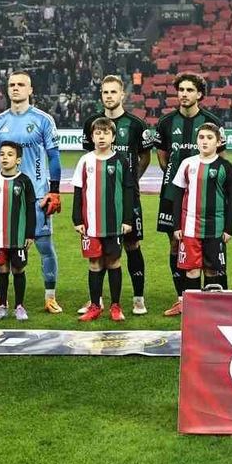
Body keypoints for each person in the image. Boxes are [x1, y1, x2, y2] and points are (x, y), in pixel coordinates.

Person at [0, 72, 64, 314]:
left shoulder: (43, 120)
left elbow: (54, 157)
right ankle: (0, 298)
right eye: (12, 85)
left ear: (30, 90)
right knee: (1, 247)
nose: (16, 88)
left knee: (44, 246)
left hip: (37, 196)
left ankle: (50, 297)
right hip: (4, 197)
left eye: (21, 85)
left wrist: (54, 191)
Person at [80, 74, 155, 315]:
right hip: (98, 201)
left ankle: (138, 298)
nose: (109, 96)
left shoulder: (136, 125)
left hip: (127, 198)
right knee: (99, 246)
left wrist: (130, 182)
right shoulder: (91, 123)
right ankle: (97, 300)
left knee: (132, 244)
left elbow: (145, 156)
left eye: (113, 92)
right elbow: (90, 157)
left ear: (122, 94)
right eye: (105, 92)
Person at [155, 73, 226, 317]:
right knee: (176, 243)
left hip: (205, 196)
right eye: (181, 90)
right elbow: (162, 157)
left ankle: (210, 298)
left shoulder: (211, 122)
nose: (184, 94)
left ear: (199, 94)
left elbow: (221, 159)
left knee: (207, 245)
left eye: (189, 90)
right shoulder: (166, 122)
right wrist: (177, 179)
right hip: (172, 193)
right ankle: (182, 298)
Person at [72, 118, 138, 322]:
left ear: (113, 137)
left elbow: (128, 191)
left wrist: (127, 219)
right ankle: (94, 305)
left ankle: (115, 306)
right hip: (90, 224)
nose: (101, 137)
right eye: (97, 133)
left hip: (114, 222)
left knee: (113, 261)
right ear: (92, 137)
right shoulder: (85, 161)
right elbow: (78, 191)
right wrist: (77, 219)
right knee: (94, 263)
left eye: (106, 133)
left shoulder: (121, 161)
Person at [171, 123, 232, 298]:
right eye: (201, 137)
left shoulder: (225, 166)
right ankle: (195, 308)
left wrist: (229, 229)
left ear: (218, 142)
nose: (204, 141)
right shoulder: (187, 163)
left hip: (215, 227)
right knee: (191, 270)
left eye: (209, 138)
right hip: (189, 226)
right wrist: (176, 225)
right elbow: (177, 195)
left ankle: (211, 308)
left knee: (212, 269)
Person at [0, 141, 38, 322]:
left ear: (18, 160)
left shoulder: (24, 181)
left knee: (18, 269)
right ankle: (2, 306)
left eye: (10, 154)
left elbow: (31, 210)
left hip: (19, 236)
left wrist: (30, 234)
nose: (5, 157)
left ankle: (19, 306)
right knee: (2, 269)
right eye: (2, 154)